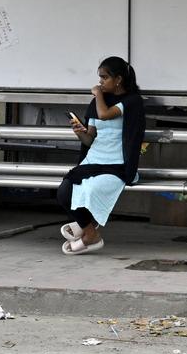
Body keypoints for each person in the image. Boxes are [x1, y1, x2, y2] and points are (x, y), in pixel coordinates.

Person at [58, 56, 146, 255]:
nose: (100, 82)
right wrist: (79, 131)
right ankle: (91, 233)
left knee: (91, 190)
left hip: (117, 165)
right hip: (94, 160)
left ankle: (87, 230)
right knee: (65, 191)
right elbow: (90, 139)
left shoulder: (131, 101)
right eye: (99, 78)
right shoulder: (96, 104)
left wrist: (98, 94)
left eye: (104, 78)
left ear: (119, 79)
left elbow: (106, 114)